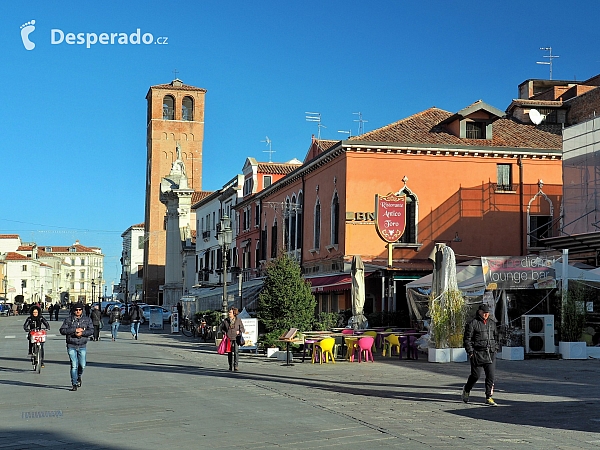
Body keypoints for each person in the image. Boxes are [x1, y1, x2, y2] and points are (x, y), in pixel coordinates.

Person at [462, 304, 499, 406]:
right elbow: (467, 339)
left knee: (490, 376)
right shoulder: (473, 323)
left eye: (487, 313)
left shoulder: (492, 323)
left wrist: (496, 347)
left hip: (490, 352)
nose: (486, 315)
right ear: (479, 312)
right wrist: (470, 352)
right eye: (484, 313)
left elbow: (496, 336)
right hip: (477, 353)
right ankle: (467, 389)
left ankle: (488, 397)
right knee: (475, 375)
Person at [59, 302, 93, 391]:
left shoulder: (87, 319)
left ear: (82, 310)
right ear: (73, 311)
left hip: (82, 345)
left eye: (80, 310)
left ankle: (78, 376)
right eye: (76, 310)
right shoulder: (68, 320)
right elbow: (62, 330)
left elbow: (91, 331)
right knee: (74, 365)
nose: (78, 311)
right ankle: (74, 383)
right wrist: (74, 330)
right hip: (71, 345)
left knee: (82, 365)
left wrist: (82, 333)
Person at [220, 307, 245, 372]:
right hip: (229, 338)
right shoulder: (226, 320)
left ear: (234, 313)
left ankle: (236, 366)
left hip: (236, 338)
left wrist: (239, 331)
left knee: (236, 352)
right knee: (229, 352)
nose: (229, 313)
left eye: (230, 312)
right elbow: (222, 329)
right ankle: (230, 366)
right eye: (229, 312)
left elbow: (242, 328)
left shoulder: (238, 320)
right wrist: (224, 332)